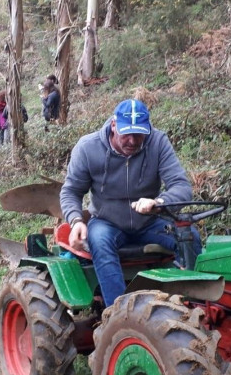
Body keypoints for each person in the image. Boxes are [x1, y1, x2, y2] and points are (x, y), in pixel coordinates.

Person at [59, 99, 202, 308]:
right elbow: (71, 190)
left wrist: (159, 202)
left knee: (190, 237)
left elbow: (181, 186)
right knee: (99, 241)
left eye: (139, 134)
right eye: (126, 134)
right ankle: (118, 313)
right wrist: (75, 220)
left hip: (150, 222)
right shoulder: (88, 148)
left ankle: (192, 305)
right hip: (106, 222)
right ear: (114, 125)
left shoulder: (158, 143)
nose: (133, 141)